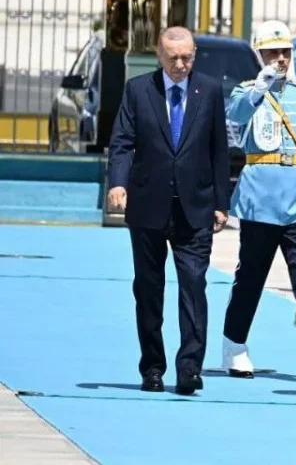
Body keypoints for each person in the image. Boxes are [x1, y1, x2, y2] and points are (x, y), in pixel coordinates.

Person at [106, 26, 231, 395]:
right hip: (148, 206)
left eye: (188, 57)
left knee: (193, 286)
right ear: (159, 55)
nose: (181, 64)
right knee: (149, 290)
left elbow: (218, 149)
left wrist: (221, 202)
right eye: (174, 57)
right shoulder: (138, 90)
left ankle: (190, 367)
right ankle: (153, 367)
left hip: (195, 209)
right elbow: (122, 141)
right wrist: (118, 182)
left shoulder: (208, 90)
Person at [221, 20, 296, 380]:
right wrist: (260, 88)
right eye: (273, 53)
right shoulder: (246, 92)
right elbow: (235, 117)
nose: (281, 59)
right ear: (261, 55)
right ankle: (234, 346)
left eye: (285, 52)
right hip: (259, 198)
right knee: (251, 275)